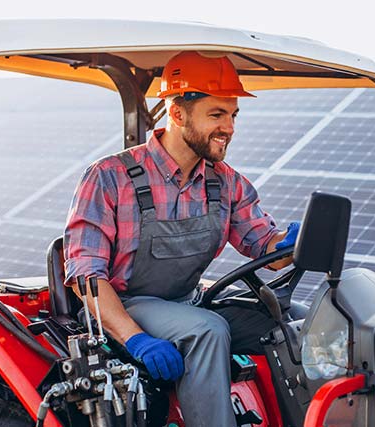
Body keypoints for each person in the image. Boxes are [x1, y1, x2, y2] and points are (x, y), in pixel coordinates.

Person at [63, 51, 300, 427]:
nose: (230, 128)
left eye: (233, 115)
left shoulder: (225, 182)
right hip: (122, 306)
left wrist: (287, 245)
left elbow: (264, 248)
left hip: (187, 302)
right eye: (217, 115)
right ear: (177, 114)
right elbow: (85, 278)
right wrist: (135, 339)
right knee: (206, 330)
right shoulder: (109, 177)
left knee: (295, 320)